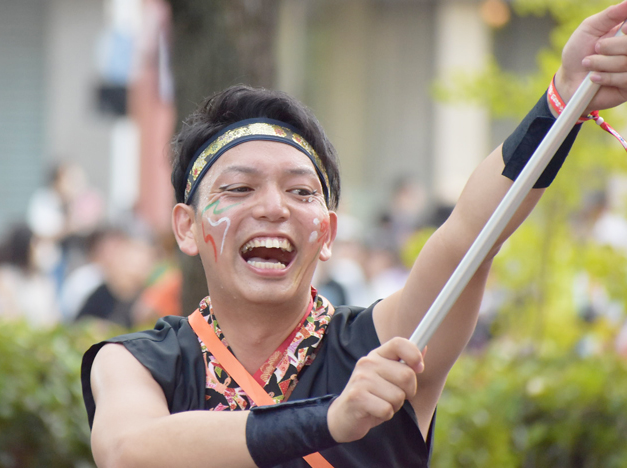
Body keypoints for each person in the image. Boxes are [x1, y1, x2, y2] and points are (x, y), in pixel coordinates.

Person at [81, 4, 627, 467]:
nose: (274, 208)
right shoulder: (137, 363)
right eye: (241, 189)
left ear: (328, 234)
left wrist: (561, 102)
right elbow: (129, 450)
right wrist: (333, 418)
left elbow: (470, 236)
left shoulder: (389, 345)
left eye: (300, 192)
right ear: (187, 227)